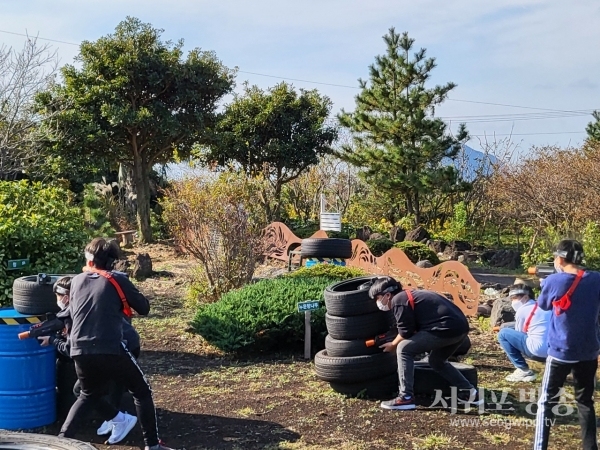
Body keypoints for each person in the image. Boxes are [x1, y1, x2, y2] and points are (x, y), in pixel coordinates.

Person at [58, 237, 174, 450]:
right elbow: (144, 308)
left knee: (86, 394)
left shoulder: (75, 281)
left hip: (79, 349)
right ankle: (152, 445)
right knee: (142, 391)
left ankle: (60, 442)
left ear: (89, 260)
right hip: (110, 346)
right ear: (112, 262)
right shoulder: (117, 278)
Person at [39, 275, 143, 438]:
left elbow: (72, 349)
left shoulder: (75, 314)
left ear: (66, 297)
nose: (56, 300)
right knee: (94, 390)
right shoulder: (83, 305)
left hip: (120, 348)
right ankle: (118, 419)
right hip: (116, 346)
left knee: (85, 390)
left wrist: (52, 340)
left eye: (58, 296)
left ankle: (119, 420)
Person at [368, 276, 482, 410]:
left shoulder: (398, 300)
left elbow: (405, 332)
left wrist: (393, 345)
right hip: (460, 329)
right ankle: (470, 393)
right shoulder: (410, 296)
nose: (378, 302)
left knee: (404, 349)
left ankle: (405, 397)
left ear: (387, 295)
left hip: (445, 328)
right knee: (436, 361)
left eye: (377, 298)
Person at [534, 239, 600, 450]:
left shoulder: (554, 280)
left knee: (547, 402)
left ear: (560, 258)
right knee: (585, 402)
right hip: (589, 350)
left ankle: (540, 446)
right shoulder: (597, 279)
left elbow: (543, 305)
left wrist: (546, 283)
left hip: (560, 351)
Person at [497, 284, 550, 382]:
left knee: (503, 333)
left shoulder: (522, 310)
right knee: (508, 327)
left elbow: (520, 332)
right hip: (552, 352)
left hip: (537, 352)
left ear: (525, 297)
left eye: (515, 298)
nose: (513, 301)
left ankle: (523, 369)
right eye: (511, 299)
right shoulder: (544, 307)